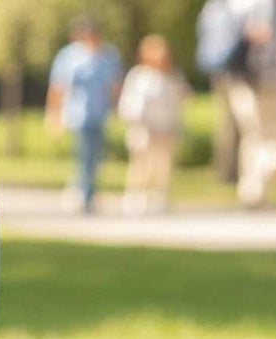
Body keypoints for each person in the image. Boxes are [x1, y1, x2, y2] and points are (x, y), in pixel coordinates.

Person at [197, 0, 276, 207]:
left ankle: (255, 186)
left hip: (270, 81)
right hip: (261, 80)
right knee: (267, 137)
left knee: (271, 138)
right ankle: (256, 190)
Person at [46, 16, 123, 213]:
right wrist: (53, 113)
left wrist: (117, 108)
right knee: (83, 153)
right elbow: (58, 86)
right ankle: (85, 192)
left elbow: (114, 85)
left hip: (99, 112)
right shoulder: (69, 56)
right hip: (77, 113)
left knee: (95, 155)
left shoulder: (108, 55)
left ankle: (86, 189)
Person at [118, 35, 189, 215]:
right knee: (141, 165)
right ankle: (136, 196)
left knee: (163, 166)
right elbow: (129, 103)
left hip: (166, 128)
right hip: (144, 128)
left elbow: (182, 99)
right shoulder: (138, 76)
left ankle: (159, 197)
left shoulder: (172, 76)